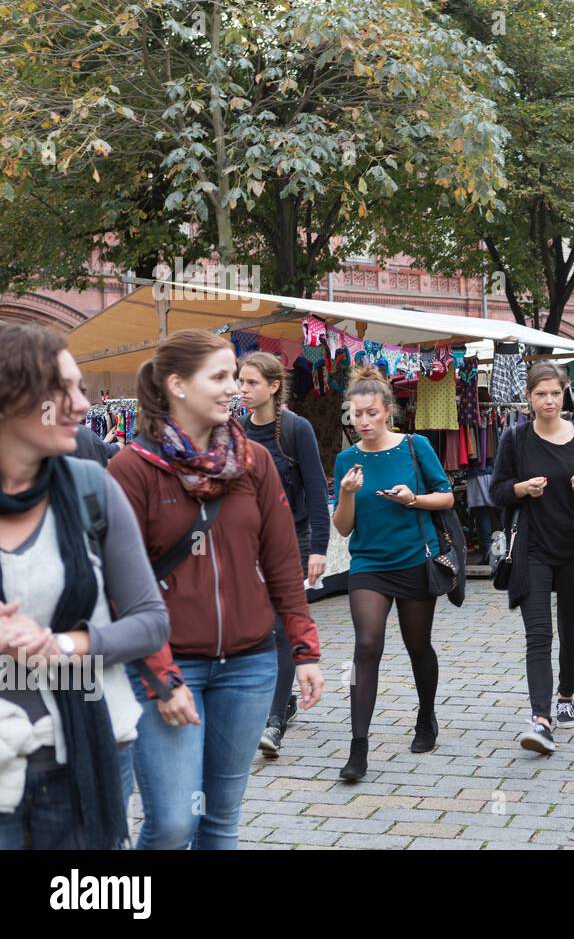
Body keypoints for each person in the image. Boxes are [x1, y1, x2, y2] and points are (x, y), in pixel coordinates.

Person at [109, 329, 323, 849]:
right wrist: (161, 675)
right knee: (173, 822)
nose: (235, 389)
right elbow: (122, 588)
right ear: (178, 385)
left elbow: (280, 563)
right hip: (167, 666)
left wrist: (305, 647)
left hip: (249, 664)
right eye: (221, 376)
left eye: (238, 377)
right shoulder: (131, 469)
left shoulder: (254, 462)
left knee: (222, 819)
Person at [0, 324, 169, 850]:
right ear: (13, 397)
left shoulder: (93, 489)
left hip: (89, 749)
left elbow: (150, 620)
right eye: (64, 389)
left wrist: (64, 644)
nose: (80, 404)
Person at [331, 366, 455, 782]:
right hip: (369, 565)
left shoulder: (415, 447)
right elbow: (344, 527)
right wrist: (346, 494)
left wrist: (413, 499)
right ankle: (358, 748)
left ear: (387, 411)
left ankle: (426, 717)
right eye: (355, 415)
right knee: (367, 645)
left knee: (418, 645)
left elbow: (447, 497)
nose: (362, 422)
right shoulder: (346, 459)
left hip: (415, 560)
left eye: (370, 413)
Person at [489, 363, 574, 754]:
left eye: (555, 393)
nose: (548, 401)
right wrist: (520, 489)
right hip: (532, 550)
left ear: (565, 395)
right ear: (528, 397)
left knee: (571, 630)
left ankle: (565, 696)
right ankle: (541, 719)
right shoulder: (514, 439)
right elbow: (496, 491)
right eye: (541, 394)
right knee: (538, 634)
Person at [237, 352, 331, 758]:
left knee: (280, 627)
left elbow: (314, 489)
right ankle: (280, 700)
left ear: (274, 387)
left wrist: (319, 548)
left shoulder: (297, 429)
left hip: (290, 540)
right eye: (240, 382)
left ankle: (273, 723)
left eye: (251, 383)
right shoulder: (236, 430)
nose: (243, 389)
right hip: (245, 545)